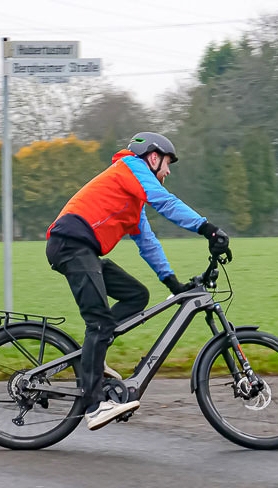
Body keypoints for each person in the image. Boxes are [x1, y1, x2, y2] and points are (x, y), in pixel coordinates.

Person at [45, 132, 231, 431]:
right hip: (71, 245)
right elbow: (165, 202)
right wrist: (207, 229)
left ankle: (94, 356)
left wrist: (172, 283)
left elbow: (147, 242)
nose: (168, 171)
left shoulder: (132, 199)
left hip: (82, 250)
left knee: (136, 295)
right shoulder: (130, 168)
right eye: (167, 163)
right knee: (99, 323)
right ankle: (94, 406)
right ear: (153, 158)